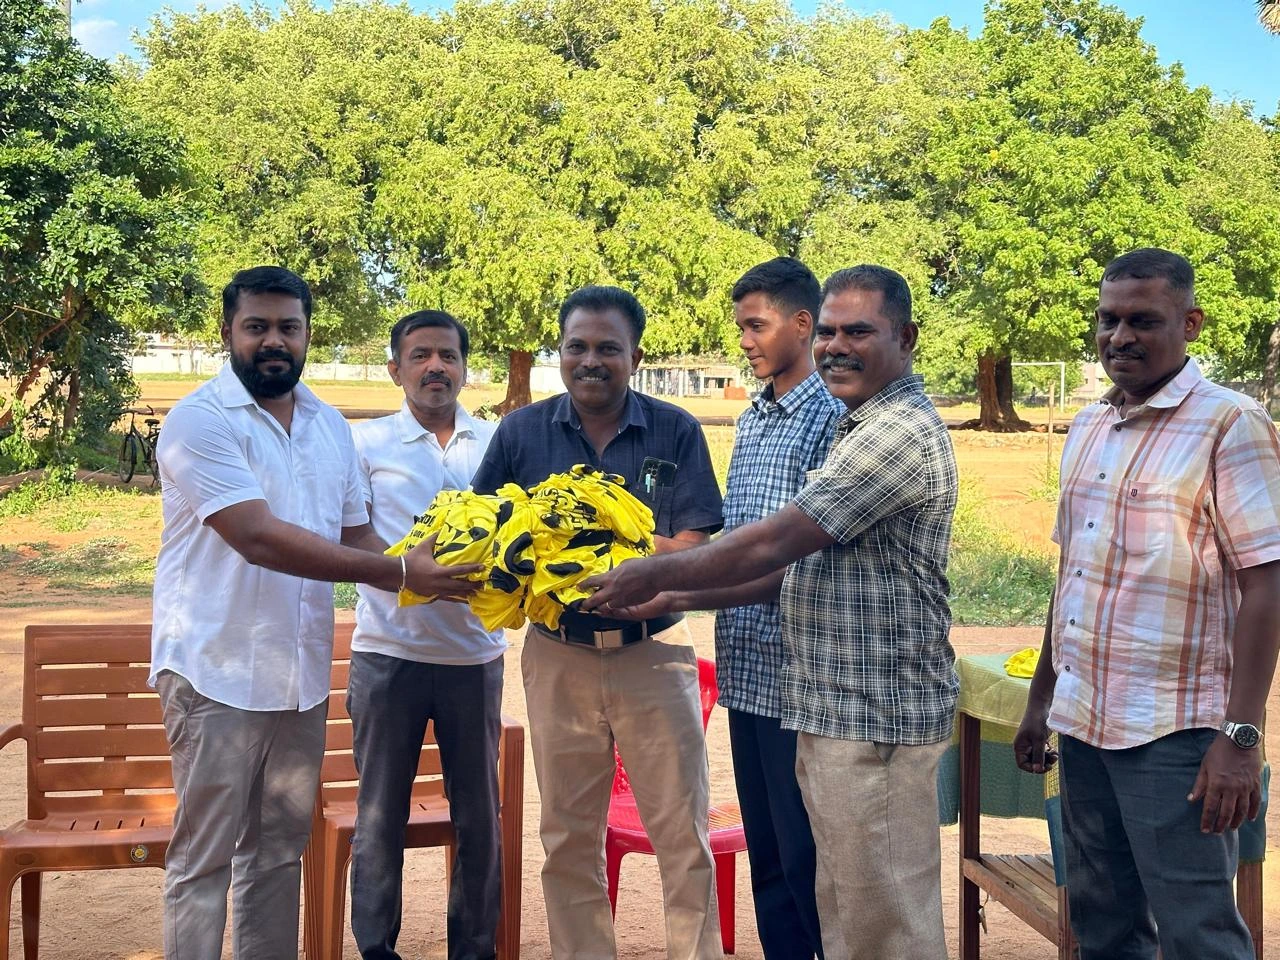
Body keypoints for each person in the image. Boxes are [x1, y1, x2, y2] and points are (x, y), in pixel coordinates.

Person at [582, 264, 959, 960]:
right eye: (836, 332)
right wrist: (677, 593)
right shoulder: (835, 419)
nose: (838, 347)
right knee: (827, 897)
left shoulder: (891, 430)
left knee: (879, 920)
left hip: (868, 709)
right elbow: (773, 555)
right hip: (813, 698)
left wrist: (656, 573)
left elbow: (780, 543)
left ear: (906, 338)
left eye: (859, 332)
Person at [150, 266, 480, 960]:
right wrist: (401, 572)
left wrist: (443, 572)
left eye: (288, 327)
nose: (274, 341)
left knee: (276, 856)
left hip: (296, 678)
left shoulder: (329, 427)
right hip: (213, 673)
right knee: (204, 860)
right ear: (227, 333)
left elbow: (355, 535)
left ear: (307, 334)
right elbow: (257, 536)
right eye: (257, 327)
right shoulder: (199, 421)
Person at [1012, 248, 1280, 959]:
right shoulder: (1090, 426)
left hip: (1176, 734)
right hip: (1086, 722)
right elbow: (1073, 574)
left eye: (1142, 320)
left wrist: (1241, 739)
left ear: (1189, 323)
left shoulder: (1231, 424)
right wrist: (1042, 698)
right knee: (1102, 923)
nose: (1119, 336)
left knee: (1197, 931)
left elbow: (1267, 583)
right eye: (1107, 320)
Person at [471, 284, 725, 960]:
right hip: (558, 656)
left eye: (607, 348)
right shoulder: (521, 433)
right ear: (560, 352)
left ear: (635, 355)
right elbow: (486, 533)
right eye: (577, 347)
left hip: (655, 650)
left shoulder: (676, 430)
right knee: (568, 837)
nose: (591, 360)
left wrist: (622, 559)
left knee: (681, 832)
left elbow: (697, 542)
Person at [348, 310, 506, 960]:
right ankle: (376, 951)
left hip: (475, 658)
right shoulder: (365, 444)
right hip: (389, 657)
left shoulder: (497, 441)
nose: (435, 366)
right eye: (421, 355)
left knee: (478, 821)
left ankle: (473, 951)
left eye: (447, 355)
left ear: (465, 368)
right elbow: (350, 536)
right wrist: (412, 574)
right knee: (380, 820)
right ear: (396, 368)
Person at [717, 257, 841, 960]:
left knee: (806, 862)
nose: (746, 340)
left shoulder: (831, 418)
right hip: (747, 672)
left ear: (802, 323)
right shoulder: (754, 417)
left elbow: (790, 563)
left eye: (756, 325)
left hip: (801, 681)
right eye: (740, 327)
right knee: (767, 862)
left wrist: (671, 587)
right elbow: (737, 539)